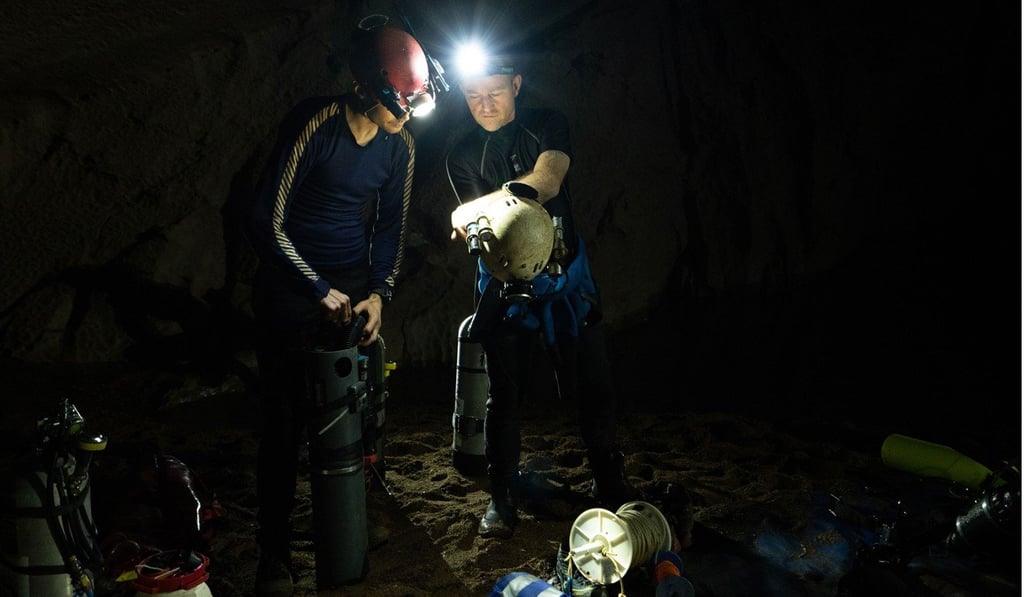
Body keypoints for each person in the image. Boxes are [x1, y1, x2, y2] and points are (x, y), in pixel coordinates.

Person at [246, 15, 440, 595]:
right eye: (397, 102)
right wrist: (312, 287)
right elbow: (265, 219)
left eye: (412, 103)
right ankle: (273, 552)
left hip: (352, 284)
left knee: (358, 409)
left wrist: (379, 292)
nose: (405, 115)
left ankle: (350, 519)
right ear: (363, 87)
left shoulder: (398, 144)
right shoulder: (317, 123)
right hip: (291, 285)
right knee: (283, 422)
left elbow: (390, 228)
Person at [445, 56, 636, 539]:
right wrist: (468, 215)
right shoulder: (463, 152)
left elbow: (549, 178)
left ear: (516, 83)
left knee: (594, 384)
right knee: (504, 395)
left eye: (495, 92)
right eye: (473, 96)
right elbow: (463, 215)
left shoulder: (547, 124)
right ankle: (502, 494)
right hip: (505, 284)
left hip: (566, 278)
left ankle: (610, 483)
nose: (484, 104)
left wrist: (500, 199)